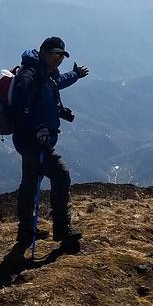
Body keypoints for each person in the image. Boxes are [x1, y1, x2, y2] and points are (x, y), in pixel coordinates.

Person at [10, 36, 89, 252]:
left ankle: (26, 231)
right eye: (55, 55)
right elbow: (19, 107)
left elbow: (57, 83)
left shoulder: (45, 74)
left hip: (32, 140)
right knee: (61, 174)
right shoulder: (30, 75)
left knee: (30, 182)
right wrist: (36, 128)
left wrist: (75, 75)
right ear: (43, 52)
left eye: (61, 56)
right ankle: (62, 228)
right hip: (33, 141)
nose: (58, 60)